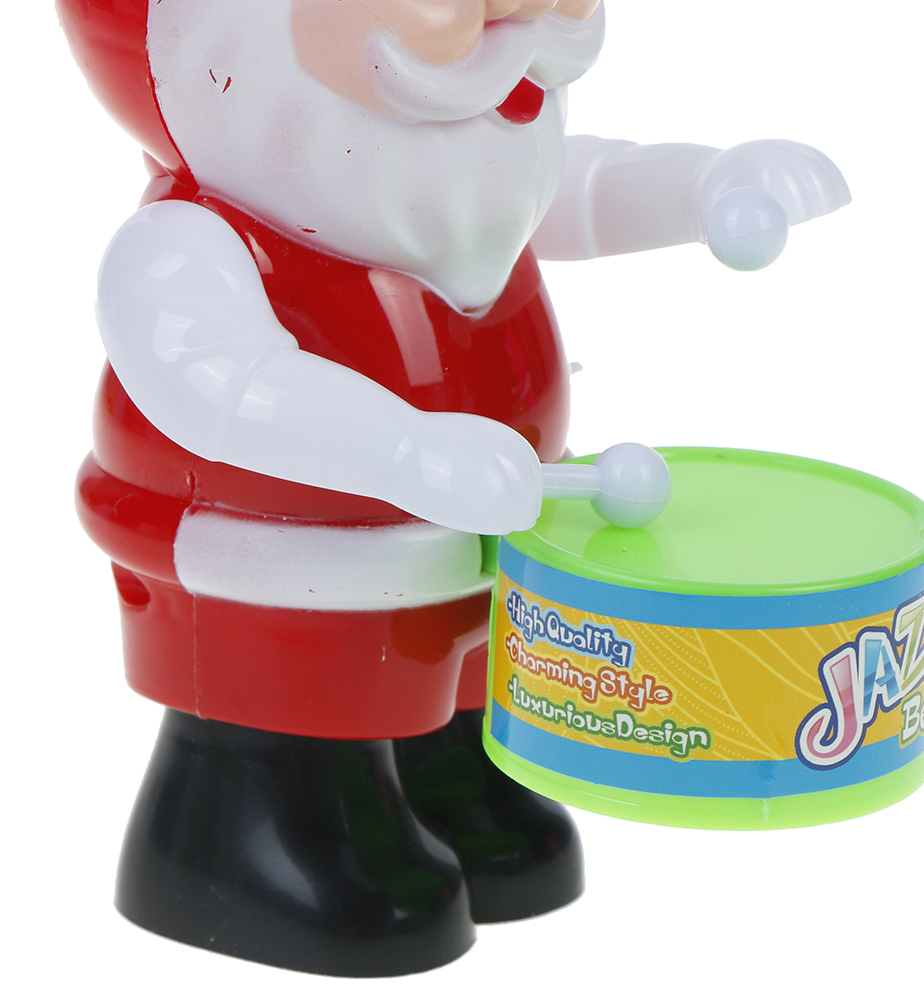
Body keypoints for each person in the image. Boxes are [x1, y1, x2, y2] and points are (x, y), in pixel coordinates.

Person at [59, 0, 850, 977]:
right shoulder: (191, 243)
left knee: (451, 662)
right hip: (274, 567)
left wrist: (705, 187)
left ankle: (446, 770)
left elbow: (586, 186)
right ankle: (255, 829)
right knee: (296, 699)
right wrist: (402, 451)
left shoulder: (468, 180)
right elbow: (220, 382)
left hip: (468, 530)